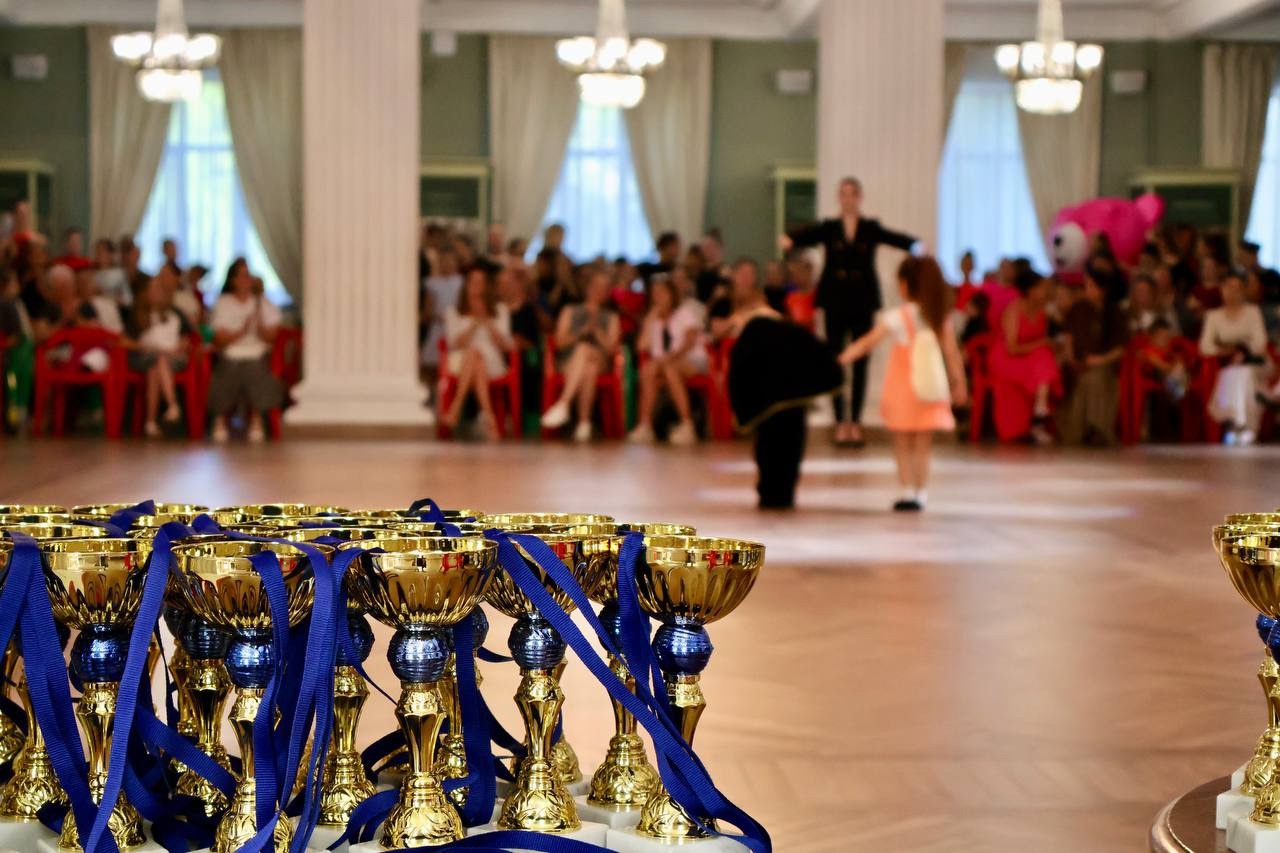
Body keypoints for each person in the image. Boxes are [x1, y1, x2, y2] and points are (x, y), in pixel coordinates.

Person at [782, 176, 919, 447]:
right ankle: (839, 422)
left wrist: (915, 245)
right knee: (836, 360)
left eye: (852, 193)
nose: (848, 198)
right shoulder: (830, 227)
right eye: (843, 193)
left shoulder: (869, 227)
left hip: (862, 301)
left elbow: (892, 237)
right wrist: (791, 239)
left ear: (859, 197)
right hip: (834, 301)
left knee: (861, 363)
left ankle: (855, 422)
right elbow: (808, 235)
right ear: (839, 198)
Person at [837, 257, 967, 511]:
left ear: (905, 285)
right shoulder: (938, 316)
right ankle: (921, 492)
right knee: (923, 445)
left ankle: (906, 490)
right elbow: (952, 354)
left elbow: (868, 342)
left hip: (903, 388)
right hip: (930, 388)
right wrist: (959, 383)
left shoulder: (899, 316)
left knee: (903, 442)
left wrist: (843, 357)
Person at [726, 257, 841, 509]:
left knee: (768, 448)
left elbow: (739, 371)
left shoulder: (751, 332)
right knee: (791, 448)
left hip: (767, 402)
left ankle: (769, 493)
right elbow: (822, 355)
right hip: (794, 398)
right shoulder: (790, 329)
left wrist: (742, 407)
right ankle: (786, 493)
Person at [208, 258, 282, 443]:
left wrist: (258, 313)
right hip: (231, 354)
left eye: (248, 276)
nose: (246, 280)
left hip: (257, 354)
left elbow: (272, 336)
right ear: (233, 280)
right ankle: (220, 419)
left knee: (256, 369)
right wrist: (241, 331)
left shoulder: (262, 303)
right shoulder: (223, 303)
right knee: (228, 370)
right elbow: (219, 338)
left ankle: (257, 419)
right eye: (242, 276)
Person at [542, 269, 620, 442]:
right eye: (596, 286)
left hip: (601, 360)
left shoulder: (612, 317)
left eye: (604, 287)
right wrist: (580, 332)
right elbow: (559, 343)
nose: (599, 291)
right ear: (588, 287)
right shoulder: (569, 311)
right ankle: (584, 424)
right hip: (569, 361)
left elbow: (612, 350)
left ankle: (564, 403)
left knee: (586, 352)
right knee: (588, 368)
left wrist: (597, 332)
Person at [629, 276, 708, 446]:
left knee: (668, 368)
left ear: (671, 294)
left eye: (662, 293)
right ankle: (645, 425)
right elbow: (641, 346)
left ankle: (687, 424)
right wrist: (650, 319)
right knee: (649, 371)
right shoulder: (654, 320)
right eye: (654, 294)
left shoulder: (684, 313)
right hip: (664, 364)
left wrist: (669, 358)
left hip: (691, 359)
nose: (658, 297)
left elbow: (689, 341)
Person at [989, 269, 1061, 444]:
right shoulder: (1014, 310)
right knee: (1043, 354)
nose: (1046, 292)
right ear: (1030, 290)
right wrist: (1042, 343)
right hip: (1007, 358)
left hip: (1030, 358)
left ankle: (1040, 408)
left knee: (1044, 355)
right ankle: (1040, 411)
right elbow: (1012, 348)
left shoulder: (1042, 312)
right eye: (1042, 288)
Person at [441, 266, 513, 439]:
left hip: (492, 362)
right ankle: (489, 418)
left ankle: (455, 409)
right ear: (466, 286)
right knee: (474, 355)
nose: (477, 287)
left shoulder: (500, 310)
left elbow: (507, 346)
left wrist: (487, 321)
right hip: (460, 360)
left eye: (481, 283)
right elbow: (454, 344)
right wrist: (474, 324)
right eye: (473, 282)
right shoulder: (453, 312)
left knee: (476, 357)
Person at [1059, 265, 1128, 446]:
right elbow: (1068, 337)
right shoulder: (1078, 308)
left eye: (1091, 286)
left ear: (1102, 289)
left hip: (1103, 364)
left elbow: (1120, 348)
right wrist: (1071, 358)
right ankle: (1077, 430)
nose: (1086, 290)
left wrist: (1100, 360)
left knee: (1095, 377)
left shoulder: (1114, 313)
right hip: (1076, 362)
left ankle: (1097, 428)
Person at [1200, 272, 1269, 445]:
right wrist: (1225, 351)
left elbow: (1259, 342)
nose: (1231, 292)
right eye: (1227, 287)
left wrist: (1242, 351)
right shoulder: (1213, 316)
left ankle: (1246, 425)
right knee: (1232, 374)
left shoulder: (1253, 312)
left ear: (1243, 291)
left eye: (1236, 288)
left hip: (1252, 361)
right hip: (1225, 363)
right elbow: (1205, 346)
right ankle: (1234, 424)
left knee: (1244, 374)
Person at [125, 274, 194, 437]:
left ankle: (150, 421)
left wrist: (181, 345)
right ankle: (172, 404)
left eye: (159, 289)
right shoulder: (138, 314)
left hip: (172, 356)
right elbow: (123, 340)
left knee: (155, 368)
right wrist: (143, 346)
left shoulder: (175, 314)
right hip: (145, 356)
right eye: (152, 289)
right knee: (156, 362)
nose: (156, 293)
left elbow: (189, 336)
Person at [421, 248, 463, 374]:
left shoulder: (461, 281)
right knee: (433, 363)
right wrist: (436, 317)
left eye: (450, 261)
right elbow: (427, 309)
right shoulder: (433, 283)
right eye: (443, 261)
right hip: (438, 326)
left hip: (457, 325)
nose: (447, 264)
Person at [91, 239, 130, 306]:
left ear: (110, 254)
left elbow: (127, 300)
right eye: (96, 251)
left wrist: (106, 295)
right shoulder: (91, 273)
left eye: (101, 251)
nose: (98, 254)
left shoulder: (119, 274)